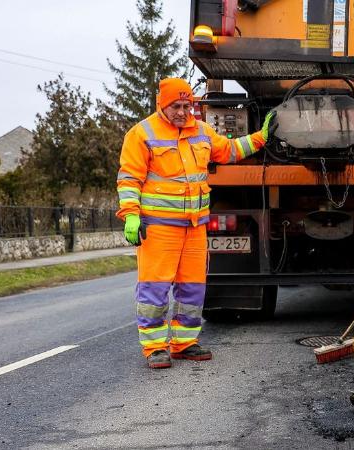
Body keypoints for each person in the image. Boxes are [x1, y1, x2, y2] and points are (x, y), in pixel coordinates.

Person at [116, 78, 275, 369]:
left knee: (192, 288)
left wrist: (260, 138)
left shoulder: (201, 131)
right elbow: (129, 179)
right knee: (154, 289)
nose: (181, 112)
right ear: (162, 105)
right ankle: (154, 347)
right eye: (175, 106)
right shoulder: (141, 134)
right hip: (159, 227)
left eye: (186, 106)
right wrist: (131, 215)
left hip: (195, 227)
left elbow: (229, 150)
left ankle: (184, 342)